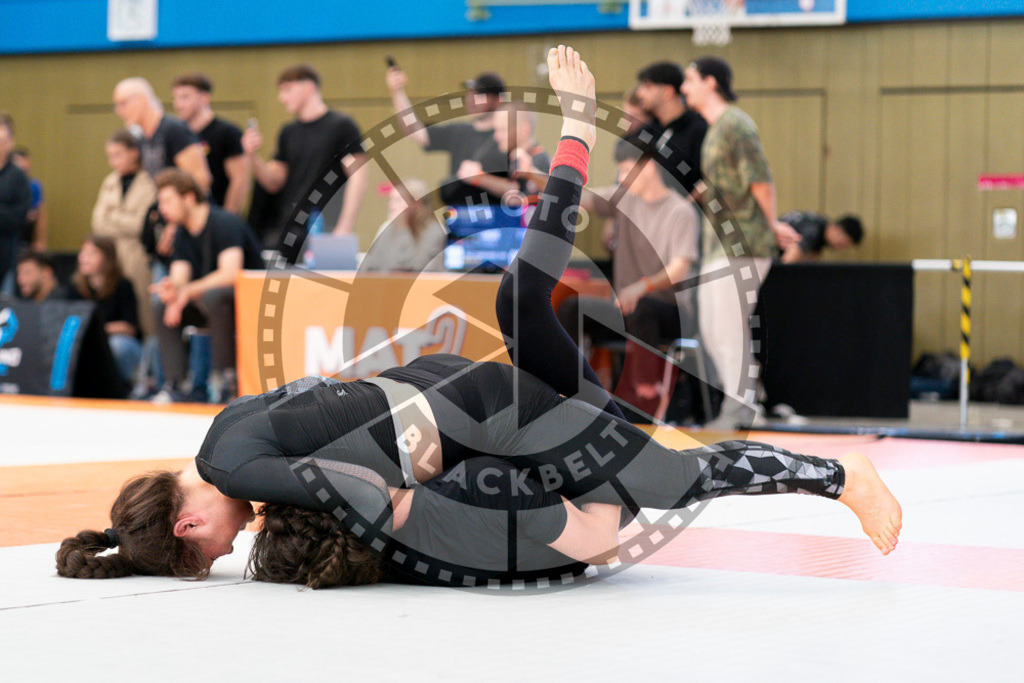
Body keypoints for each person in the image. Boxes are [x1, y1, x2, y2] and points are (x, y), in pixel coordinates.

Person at [55, 46, 902, 587]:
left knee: (672, 479)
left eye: (210, 554)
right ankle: (574, 136)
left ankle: (840, 478)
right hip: (467, 396)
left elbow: (350, 485)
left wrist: (412, 516)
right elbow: (341, 419)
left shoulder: (236, 471)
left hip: (490, 415)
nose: (232, 550)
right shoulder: (225, 428)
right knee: (520, 298)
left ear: (188, 520)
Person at [681, 56, 800, 430]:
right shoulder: (715, 128)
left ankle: (742, 408)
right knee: (715, 328)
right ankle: (743, 405)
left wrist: (773, 224)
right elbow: (729, 178)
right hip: (719, 242)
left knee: (729, 328)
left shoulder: (736, 123)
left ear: (710, 82)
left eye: (689, 80)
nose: (684, 88)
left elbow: (760, 180)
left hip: (744, 241)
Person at [557, 136, 700, 419]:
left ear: (647, 167)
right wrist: (544, 178)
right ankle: (568, 391)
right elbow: (579, 197)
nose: (621, 178)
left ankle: (642, 399)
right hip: (627, 309)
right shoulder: (623, 201)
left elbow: (680, 268)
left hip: (672, 312)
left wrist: (641, 287)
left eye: (625, 170)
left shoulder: (680, 211)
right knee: (573, 308)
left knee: (642, 307)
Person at [150, 169, 264, 403]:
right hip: (210, 305)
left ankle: (227, 380)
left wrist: (187, 291)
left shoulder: (224, 222)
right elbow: (180, 277)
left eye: (167, 200)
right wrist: (172, 289)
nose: (162, 208)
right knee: (161, 305)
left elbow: (231, 274)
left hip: (250, 306)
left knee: (215, 295)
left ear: (189, 197)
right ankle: (175, 383)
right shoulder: (181, 233)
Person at [242, 64, 368, 259]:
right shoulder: (288, 132)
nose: (281, 97)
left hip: (326, 227)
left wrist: (344, 227)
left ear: (309, 88)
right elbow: (273, 182)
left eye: (287, 90)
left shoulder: (341, 126)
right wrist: (252, 156)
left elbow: (358, 176)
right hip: (289, 229)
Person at [386, 66, 509, 206]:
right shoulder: (458, 132)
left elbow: (519, 190)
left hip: (498, 221)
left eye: (479, 95)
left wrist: (480, 178)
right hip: (459, 220)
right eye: (470, 94)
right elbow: (414, 130)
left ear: (497, 100)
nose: (471, 99)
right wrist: (397, 92)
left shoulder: (509, 139)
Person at [91, 129, 158, 337]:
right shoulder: (110, 182)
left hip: (139, 258)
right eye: (110, 156)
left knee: (146, 315)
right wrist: (124, 219)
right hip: (112, 258)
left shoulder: (151, 181)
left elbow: (142, 225)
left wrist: (113, 216)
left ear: (134, 152)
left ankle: (148, 362)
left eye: (118, 155)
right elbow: (97, 223)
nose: (113, 162)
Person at [112, 78, 211, 194]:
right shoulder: (143, 137)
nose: (119, 111)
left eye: (123, 103)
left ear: (142, 100)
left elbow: (201, 180)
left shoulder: (174, 130)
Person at [171, 73, 251, 215]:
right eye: (175, 98)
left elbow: (239, 180)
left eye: (185, 97)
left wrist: (227, 219)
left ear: (204, 98)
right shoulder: (177, 134)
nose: (178, 104)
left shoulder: (227, 132)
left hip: (217, 213)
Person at [68, 235, 142, 386]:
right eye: (83, 252)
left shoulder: (122, 285)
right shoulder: (75, 286)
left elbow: (129, 326)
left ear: (107, 258)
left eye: (92, 253)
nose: (84, 258)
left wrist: (98, 330)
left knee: (117, 346)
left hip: (119, 342)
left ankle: (119, 387)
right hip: (86, 341)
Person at [635, 61, 707, 197]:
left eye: (647, 87)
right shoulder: (647, 131)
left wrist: (684, 208)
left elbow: (706, 182)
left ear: (667, 91)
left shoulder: (698, 129)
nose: (640, 93)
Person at [457, 101, 551, 204]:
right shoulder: (515, 159)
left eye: (502, 130)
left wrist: (531, 172)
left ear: (524, 130)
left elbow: (555, 191)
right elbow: (514, 189)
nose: (496, 136)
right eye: (496, 130)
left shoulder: (538, 160)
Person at [360, 178, 447, 272]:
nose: (391, 206)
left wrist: (403, 229)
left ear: (417, 204)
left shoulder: (434, 231)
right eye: (391, 200)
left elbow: (415, 269)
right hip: (384, 285)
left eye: (398, 200)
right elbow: (368, 265)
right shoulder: (388, 228)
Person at [0, 113, 32, 297]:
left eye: (2, 141)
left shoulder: (17, 176)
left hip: (6, 254)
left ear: (10, 143)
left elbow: (19, 217)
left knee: (5, 308)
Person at [778, 211, 864, 263]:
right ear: (839, 230)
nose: (842, 248)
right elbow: (789, 259)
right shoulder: (813, 231)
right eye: (844, 243)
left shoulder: (821, 228)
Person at [11, 147, 46, 252]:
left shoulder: (33, 186)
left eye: (26, 170)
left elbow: (40, 214)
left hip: (26, 237)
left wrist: (41, 241)